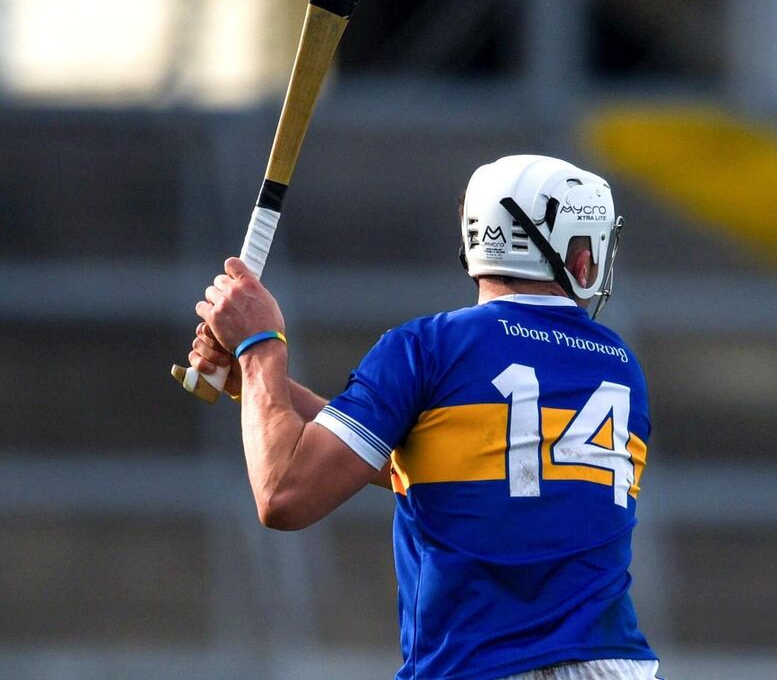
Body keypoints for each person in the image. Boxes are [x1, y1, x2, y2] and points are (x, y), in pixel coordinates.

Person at [190, 154, 661, 680]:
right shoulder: (621, 368)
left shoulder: (427, 348)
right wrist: (256, 388)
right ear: (580, 257)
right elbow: (444, 469)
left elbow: (285, 493)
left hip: (477, 668)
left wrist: (260, 347)